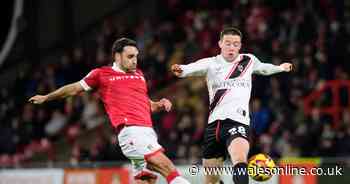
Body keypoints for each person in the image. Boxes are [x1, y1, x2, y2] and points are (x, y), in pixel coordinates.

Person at [29, 38, 191, 184]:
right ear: (117, 56)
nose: (135, 61)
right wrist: (47, 97)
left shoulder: (139, 75)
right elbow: (73, 89)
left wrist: (159, 103)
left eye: (136, 56)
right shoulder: (101, 74)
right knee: (170, 169)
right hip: (132, 133)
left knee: (147, 180)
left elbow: (146, 104)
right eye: (130, 57)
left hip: (147, 132)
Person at [171, 27, 293, 184]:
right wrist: (181, 69)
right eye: (228, 43)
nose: (231, 47)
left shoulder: (248, 60)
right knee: (211, 181)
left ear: (240, 46)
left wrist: (279, 68)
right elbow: (190, 68)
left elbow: (263, 68)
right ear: (220, 43)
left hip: (237, 122)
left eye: (235, 44)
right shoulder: (211, 63)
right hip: (213, 126)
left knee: (239, 159)